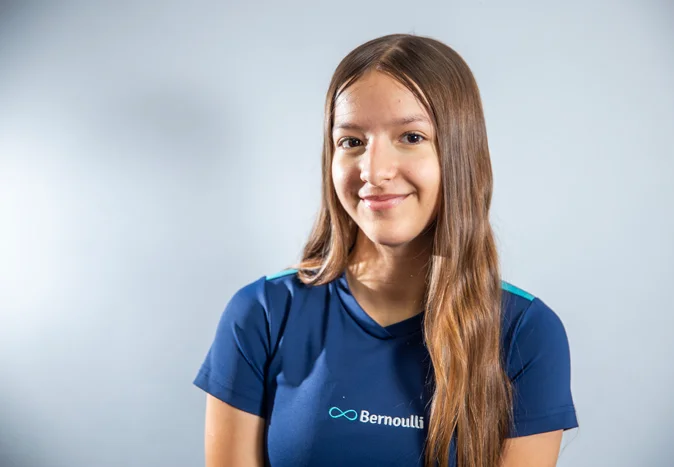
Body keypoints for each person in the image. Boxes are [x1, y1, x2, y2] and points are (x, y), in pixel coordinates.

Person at [193, 33, 578, 467]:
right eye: (352, 141)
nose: (374, 172)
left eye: (411, 137)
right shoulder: (262, 313)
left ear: (461, 154)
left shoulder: (525, 332)